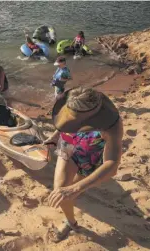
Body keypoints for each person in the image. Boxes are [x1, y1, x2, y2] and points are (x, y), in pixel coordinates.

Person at [42, 87, 123, 243]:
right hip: (68, 144)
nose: (74, 122)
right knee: (61, 192)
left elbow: (112, 164)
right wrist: (55, 136)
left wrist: (75, 188)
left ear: (93, 116)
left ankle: (77, 187)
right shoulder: (76, 99)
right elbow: (64, 122)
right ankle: (71, 222)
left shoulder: (112, 126)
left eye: (79, 120)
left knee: (72, 189)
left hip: (89, 153)